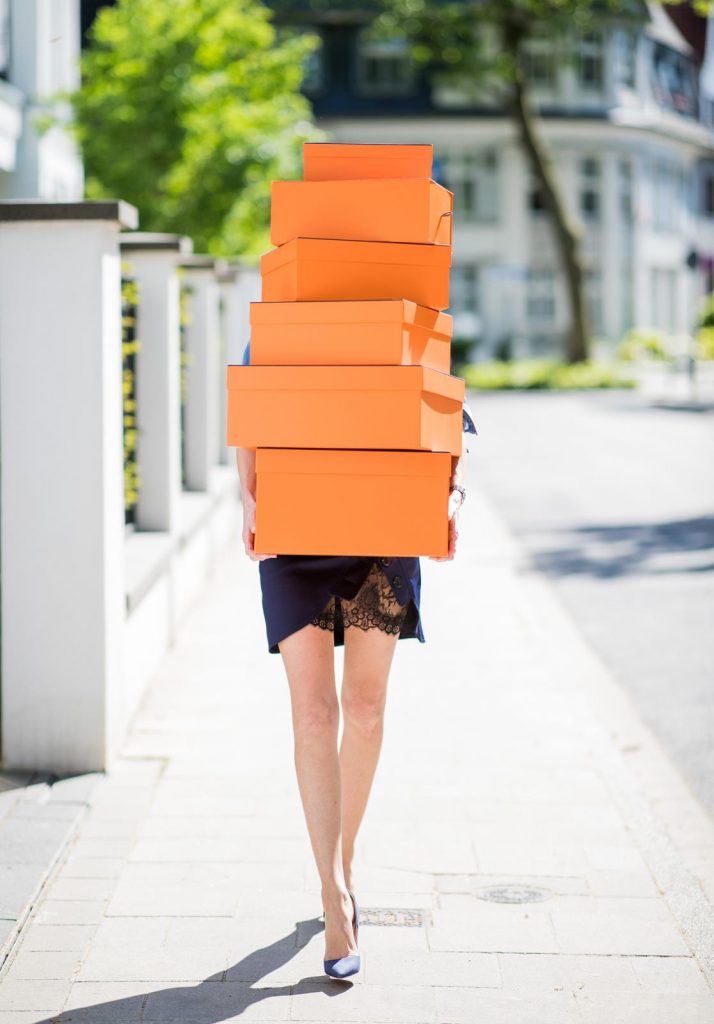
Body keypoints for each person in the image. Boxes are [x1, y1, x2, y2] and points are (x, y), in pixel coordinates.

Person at [234, 339, 476, 980]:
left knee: (364, 710)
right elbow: (252, 408)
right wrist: (248, 495)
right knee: (315, 713)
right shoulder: (291, 307)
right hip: (297, 521)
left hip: (383, 517)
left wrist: (449, 498)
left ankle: (343, 860)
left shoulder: (407, 305)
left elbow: (445, 413)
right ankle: (333, 893)